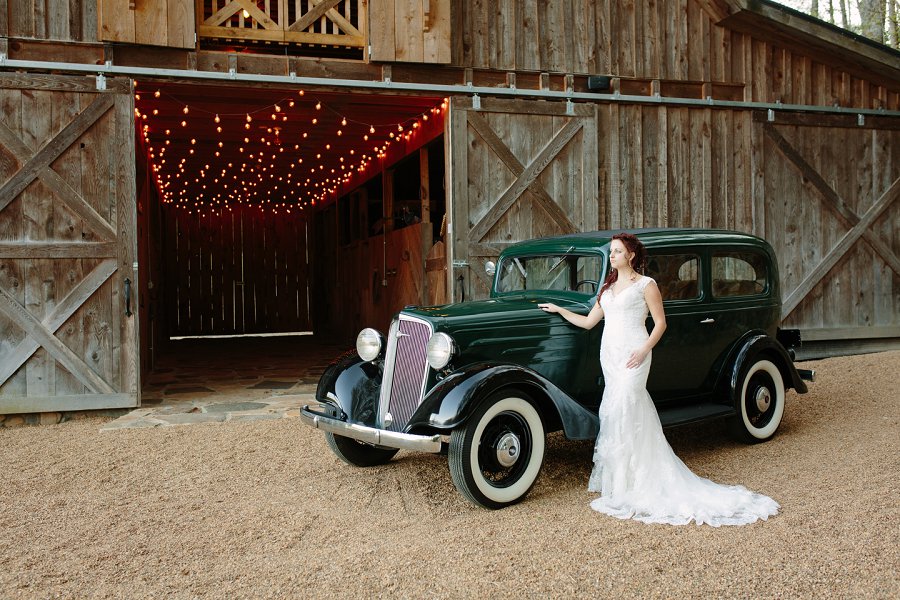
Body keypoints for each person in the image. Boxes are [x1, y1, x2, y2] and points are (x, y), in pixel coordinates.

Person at [538, 233, 779, 526]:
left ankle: (643, 479)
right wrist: (559, 310)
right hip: (611, 356)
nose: (611, 256)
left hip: (635, 351)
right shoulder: (608, 287)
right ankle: (621, 481)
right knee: (613, 410)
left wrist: (643, 350)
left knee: (628, 404)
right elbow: (590, 322)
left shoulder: (646, 285)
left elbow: (660, 323)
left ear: (631, 256)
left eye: (616, 252)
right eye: (611, 252)